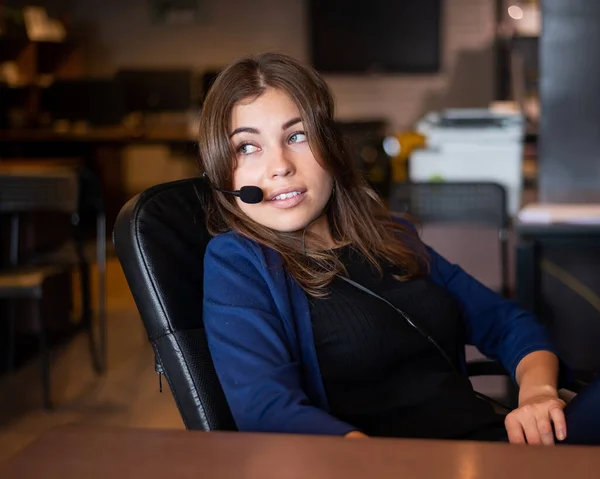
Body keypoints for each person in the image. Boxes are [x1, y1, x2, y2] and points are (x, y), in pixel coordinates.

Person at [199, 52, 600, 445]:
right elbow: (267, 409)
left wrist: (538, 393)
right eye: (247, 147)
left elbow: (507, 322)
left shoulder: (392, 236)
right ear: (224, 170)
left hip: (487, 452)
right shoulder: (239, 263)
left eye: (297, 135)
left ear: (330, 148)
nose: (280, 165)